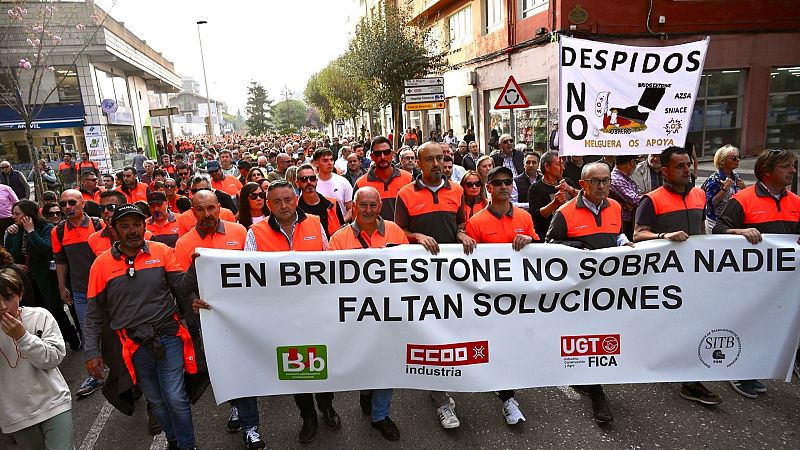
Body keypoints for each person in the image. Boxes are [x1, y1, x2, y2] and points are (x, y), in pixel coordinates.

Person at [84, 204, 200, 450]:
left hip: (168, 335)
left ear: (144, 226)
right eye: (125, 226)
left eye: (137, 224)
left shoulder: (162, 251)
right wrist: (91, 352)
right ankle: (173, 441)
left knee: (176, 398)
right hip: (133, 345)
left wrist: (196, 267)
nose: (132, 231)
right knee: (156, 401)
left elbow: (181, 288)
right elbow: (93, 314)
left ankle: (188, 446)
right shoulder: (101, 265)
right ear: (113, 231)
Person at [239, 180, 339, 444]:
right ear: (268, 205)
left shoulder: (315, 223)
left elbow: (328, 263)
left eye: (287, 200)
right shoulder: (255, 232)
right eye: (276, 202)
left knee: (324, 362)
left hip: (317, 312)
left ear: (296, 199)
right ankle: (308, 416)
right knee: (296, 367)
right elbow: (248, 275)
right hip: (281, 317)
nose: (283, 206)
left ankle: (327, 405)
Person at [394, 141, 475, 430]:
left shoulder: (456, 189)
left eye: (441, 158)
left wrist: (462, 233)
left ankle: (441, 384)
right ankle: (441, 399)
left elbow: (461, 223)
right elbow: (399, 231)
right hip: (422, 278)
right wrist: (416, 236)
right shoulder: (405, 193)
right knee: (432, 333)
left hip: (453, 275)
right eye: (430, 159)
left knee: (451, 329)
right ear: (418, 162)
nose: (437, 164)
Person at [633, 146, 722, 406]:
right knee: (665, 326)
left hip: (693, 274)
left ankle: (690, 381)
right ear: (665, 171)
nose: (687, 170)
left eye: (688, 165)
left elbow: (702, 229)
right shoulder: (651, 200)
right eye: (680, 166)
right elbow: (638, 234)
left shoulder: (698, 195)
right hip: (663, 277)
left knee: (692, 325)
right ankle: (657, 361)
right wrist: (664, 237)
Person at [546, 162, 632, 424]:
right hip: (579, 291)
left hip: (608, 288)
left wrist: (624, 242)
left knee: (604, 336)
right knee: (588, 339)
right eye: (595, 181)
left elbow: (617, 233)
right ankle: (598, 396)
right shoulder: (565, 212)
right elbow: (549, 244)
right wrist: (579, 247)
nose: (602, 186)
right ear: (582, 184)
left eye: (605, 180)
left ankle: (587, 381)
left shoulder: (615, 207)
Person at [712, 149, 799, 398]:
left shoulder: (795, 201)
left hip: (782, 283)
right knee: (748, 324)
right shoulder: (744, 199)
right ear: (767, 172)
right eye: (785, 167)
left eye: (792, 166)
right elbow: (718, 229)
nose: (792, 171)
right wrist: (739, 232)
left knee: (771, 327)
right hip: (749, 282)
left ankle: (760, 367)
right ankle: (740, 372)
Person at [327, 186, 407, 440]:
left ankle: (380, 415)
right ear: (353, 207)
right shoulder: (338, 239)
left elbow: (407, 268)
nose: (368, 210)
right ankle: (366, 391)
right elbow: (330, 278)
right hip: (355, 314)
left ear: (380, 207)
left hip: (388, 312)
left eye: (373, 205)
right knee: (363, 360)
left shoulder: (394, 231)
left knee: (387, 362)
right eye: (363, 205)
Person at [464, 167, 537, 426]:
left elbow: (540, 252)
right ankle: (504, 395)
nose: (504, 186)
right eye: (498, 183)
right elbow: (468, 264)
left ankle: (507, 394)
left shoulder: (525, 217)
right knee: (492, 345)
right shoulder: (476, 222)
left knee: (510, 346)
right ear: (489, 189)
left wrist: (530, 240)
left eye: (508, 182)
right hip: (488, 299)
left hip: (518, 297)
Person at [0, 266, 73, 450]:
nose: (3, 307)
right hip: (16, 415)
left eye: (8, 298)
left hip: (54, 402)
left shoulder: (40, 316)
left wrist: (23, 336)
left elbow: (53, 358)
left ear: (20, 294)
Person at [4, 199, 80, 350]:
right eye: (13, 214)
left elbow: (45, 248)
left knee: (55, 311)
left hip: (46, 279)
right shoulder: (14, 231)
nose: (13, 216)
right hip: (26, 282)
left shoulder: (46, 228)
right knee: (35, 315)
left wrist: (31, 231)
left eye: (17, 214)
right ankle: (47, 345)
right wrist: (14, 265)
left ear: (28, 215)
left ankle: (71, 337)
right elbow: (9, 254)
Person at [51, 189, 105, 398]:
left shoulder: (98, 224)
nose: (67, 207)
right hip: (81, 292)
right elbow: (61, 261)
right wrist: (62, 286)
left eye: (72, 202)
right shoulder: (58, 232)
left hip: (106, 289)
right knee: (88, 333)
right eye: (63, 204)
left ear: (82, 203)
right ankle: (95, 375)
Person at [354, 137, 412, 221]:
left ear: (392, 154)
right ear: (372, 156)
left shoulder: (408, 179)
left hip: (403, 233)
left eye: (386, 152)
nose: (383, 157)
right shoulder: (361, 184)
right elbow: (356, 217)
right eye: (378, 153)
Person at [528, 150, 578, 239]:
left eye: (563, 164)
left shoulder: (567, 182)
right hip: (549, 236)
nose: (563, 168)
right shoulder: (536, 188)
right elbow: (536, 216)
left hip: (572, 232)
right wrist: (554, 203)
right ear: (547, 167)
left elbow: (585, 197)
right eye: (558, 164)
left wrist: (571, 190)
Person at [702, 144, 746, 230]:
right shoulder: (714, 180)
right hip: (716, 222)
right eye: (734, 158)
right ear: (722, 161)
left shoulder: (736, 176)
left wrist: (744, 188)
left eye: (738, 157)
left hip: (732, 220)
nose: (738, 160)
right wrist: (725, 189)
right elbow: (710, 203)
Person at [295, 165, 344, 238]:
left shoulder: (332, 204)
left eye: (312, 178)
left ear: (316, 181)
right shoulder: (294, 208)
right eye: (304, 179)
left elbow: (341, 230)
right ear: (297, 183)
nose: (309, 182)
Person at [312, 148, 353, 223]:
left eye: (331, 159)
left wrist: (341, 223)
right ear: (316, 163)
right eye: (325, 160)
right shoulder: (311, 183)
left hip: (340, 230)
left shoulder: (343, 182)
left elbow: (351, 208)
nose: (330, 163)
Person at [609, 154, 644, 240]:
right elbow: (637, 200)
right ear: (632, 162)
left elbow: (639, 195)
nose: (636, 165)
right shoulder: (616, 179)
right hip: (622, 225)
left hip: (630, 222)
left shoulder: (626, 178)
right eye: (636, 162)